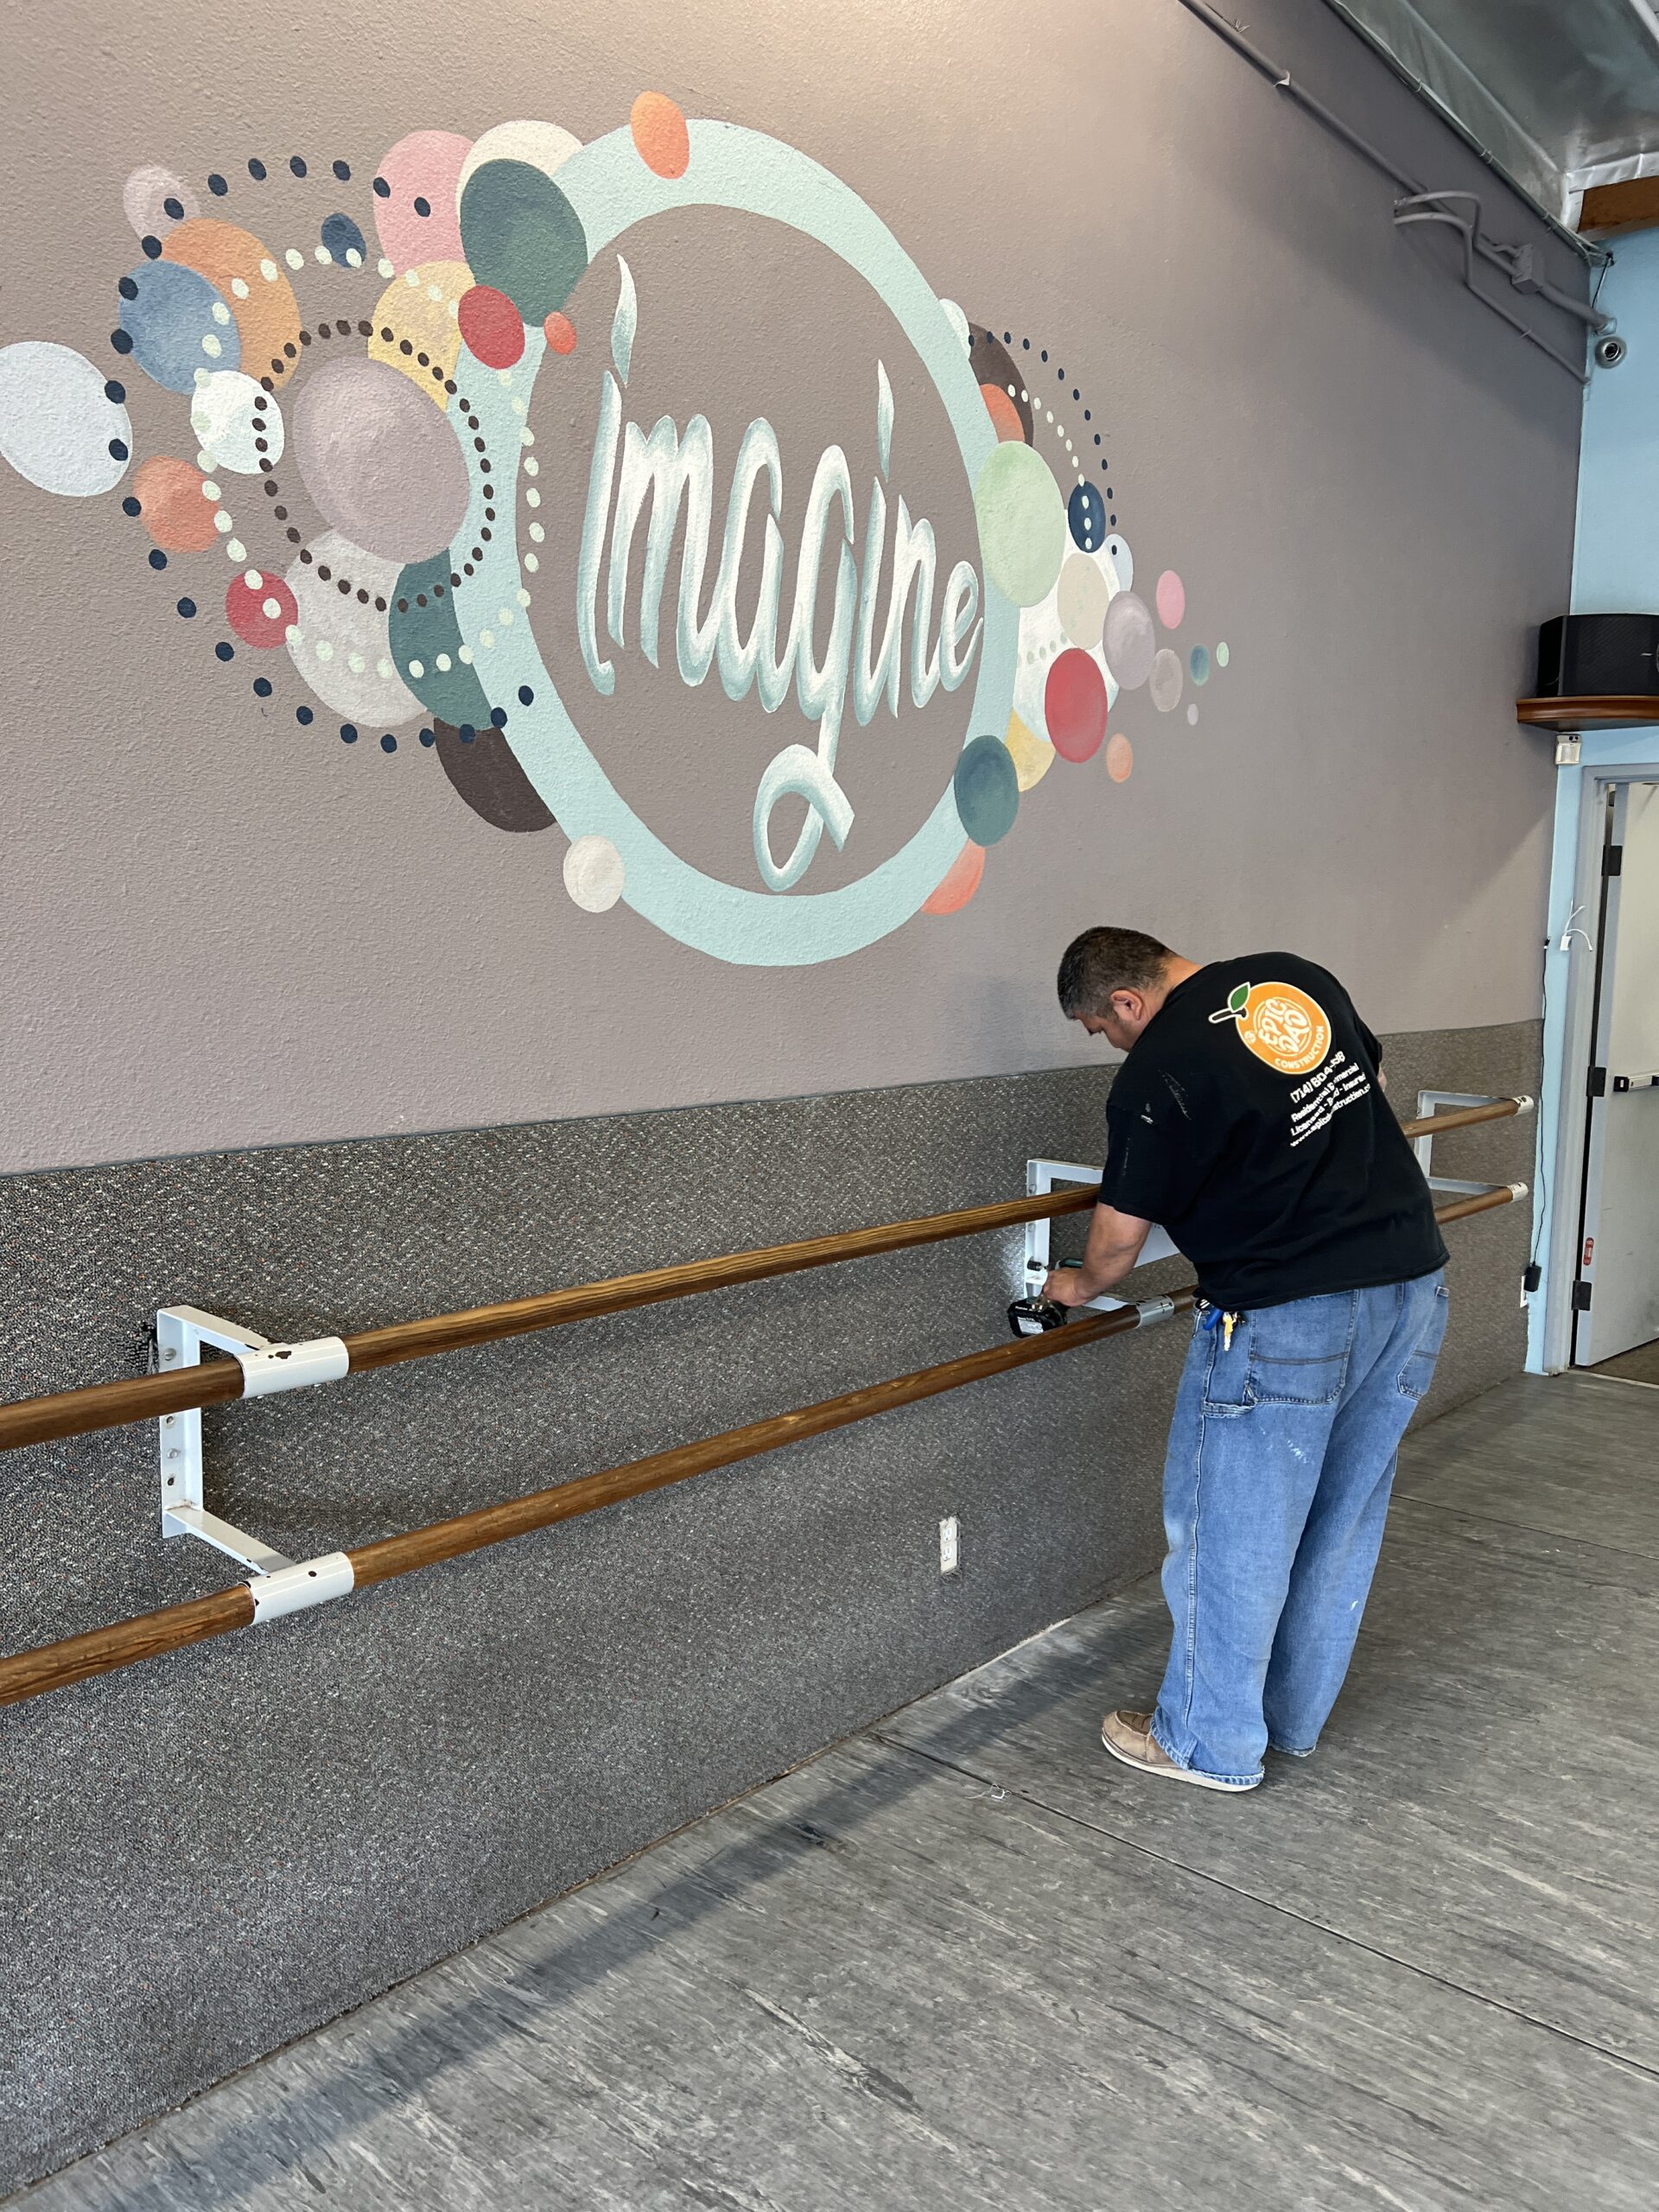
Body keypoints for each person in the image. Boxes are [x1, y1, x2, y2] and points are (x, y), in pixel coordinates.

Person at [1045, 927, 1449, 1794]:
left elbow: (1117, 1241)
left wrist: (1071, 1286)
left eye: (1101, 1028)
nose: (1109, 1044)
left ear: (1126, 1000)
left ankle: (1207, 1743)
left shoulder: (1157, 1072)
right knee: (1339, 1519)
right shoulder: (1296, 981)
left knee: (1232, 1532)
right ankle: (1289, 1720)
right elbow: (1370, 1091)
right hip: (1410, 1288)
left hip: (1287, 1313)